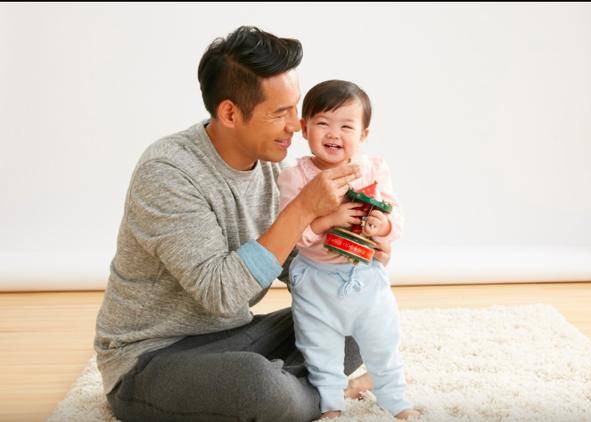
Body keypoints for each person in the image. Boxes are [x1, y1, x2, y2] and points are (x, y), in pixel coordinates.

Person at [94, 26, 391, 422]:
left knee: (352, 321)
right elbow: (220, 293)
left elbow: (294, 262)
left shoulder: (270, 169)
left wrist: (353, 257)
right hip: (151, 360)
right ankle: (324, 391)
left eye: (295, 109)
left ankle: (298, 389)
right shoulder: (167, 172)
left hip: (234, 338)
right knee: (255, 384)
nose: (296, 125)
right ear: (230, 113)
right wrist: (303, 209)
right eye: (280, 113)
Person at [277, 80, 419, 420]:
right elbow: (293, 236)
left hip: (365, 277)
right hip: (316, 280)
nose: (333, 134)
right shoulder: (295, 177)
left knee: (383, 342)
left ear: (363, 134)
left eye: (346, 126)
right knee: (319, 349)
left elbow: (396, 218)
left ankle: (396, 401)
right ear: (304, 128)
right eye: (323, 123)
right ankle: (331, 405)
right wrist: (329, 221)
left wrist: (383, 226)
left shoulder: (373, 169)